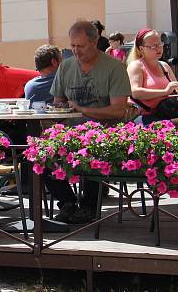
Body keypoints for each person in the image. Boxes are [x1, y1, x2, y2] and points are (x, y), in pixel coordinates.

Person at [49, 19, 132, 224]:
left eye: (81, 46)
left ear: (95, 43)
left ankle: (88, 208)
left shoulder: (114, 68)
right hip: (70, 133)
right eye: (72, 46)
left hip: (104, 133)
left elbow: (118, 111)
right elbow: (57, 102)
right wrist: (59, 109)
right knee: (40, 155)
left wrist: (83, 109)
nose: (76, 51)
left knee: (92, 151)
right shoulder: (66, 67)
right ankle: (67, 203)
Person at [127, 29, 178, 123]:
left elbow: (175, 89)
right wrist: (165, 91)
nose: (158, 48)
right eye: (153, 46)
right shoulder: (136, 66)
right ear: (141, 49)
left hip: (168, 114)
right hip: (145, 118)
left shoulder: (164, 65)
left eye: (159, 44)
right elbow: (135, 92)